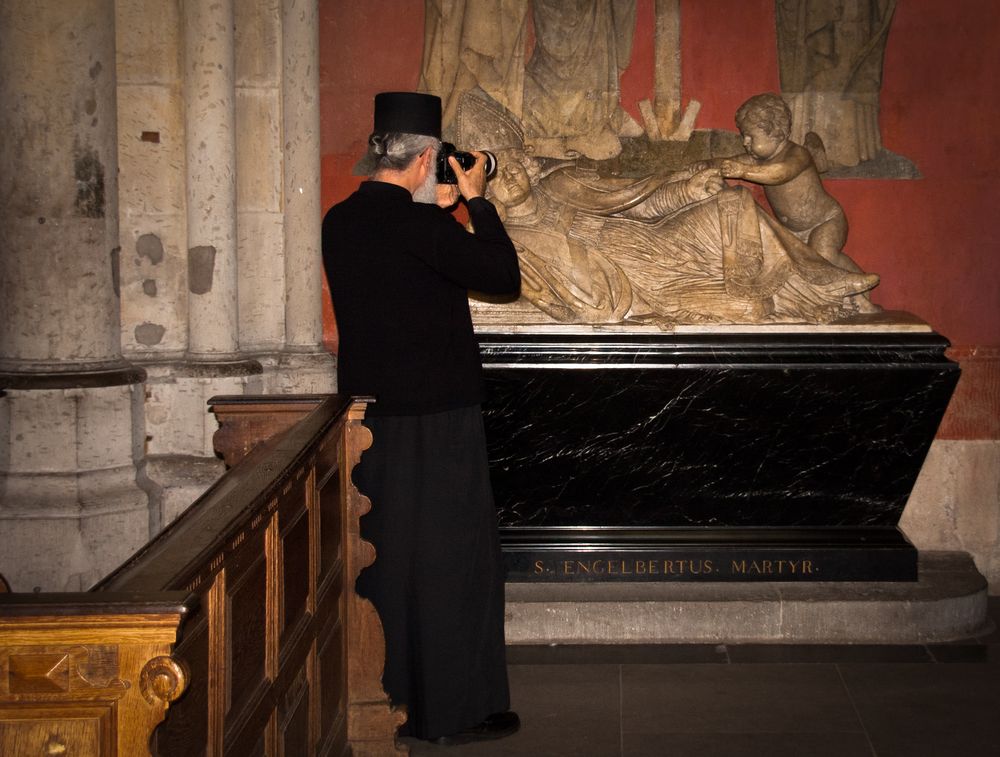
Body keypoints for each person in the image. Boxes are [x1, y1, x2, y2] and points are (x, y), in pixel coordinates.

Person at [321, 92, 521, 745]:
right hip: (438, 423)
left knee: (387, 561)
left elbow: (397, 248)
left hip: (368, 422)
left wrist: (435, 206)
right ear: (427, 157)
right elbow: (501, 272)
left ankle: (386, 696)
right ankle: (454, 709)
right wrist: (478, 199)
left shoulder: (340, 221)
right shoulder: (424, 228)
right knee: (450, 562)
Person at [715, 93, 880, 312]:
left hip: (825, 220)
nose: (745, 142)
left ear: (776, 132)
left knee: (824, 254)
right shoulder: (760, 159)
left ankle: (860, 289)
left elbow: (780, 173)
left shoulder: (797, 154)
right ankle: (842, 301)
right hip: (793, 231)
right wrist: (706, 165)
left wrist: (744, 171)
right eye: (743, 136)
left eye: (750, 136)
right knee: (796, 269)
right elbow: (731, 162)